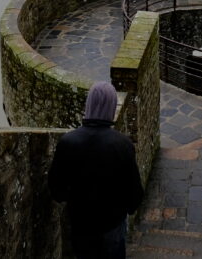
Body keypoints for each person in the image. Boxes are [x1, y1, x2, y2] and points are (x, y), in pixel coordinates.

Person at [48, 82, 144, 259]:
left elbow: (57, 190)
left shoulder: (68, 142)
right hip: (112, 224)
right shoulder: (122, 144)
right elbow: (135, 194)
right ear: (112, 106)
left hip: (81, 224)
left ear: (89, 104)